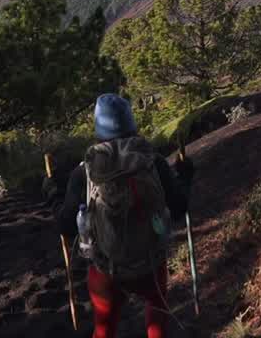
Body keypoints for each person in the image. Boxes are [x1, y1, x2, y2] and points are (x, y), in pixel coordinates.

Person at [44, 93, 194, 338]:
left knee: (104, 328)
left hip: (106, 271)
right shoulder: (153, 162)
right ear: (131, 123)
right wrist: (185, 176)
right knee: (157, 312)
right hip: (151, 264)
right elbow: (179, 208)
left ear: (97, 128)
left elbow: (66, 226)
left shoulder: (84, 173)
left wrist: (53, 194)